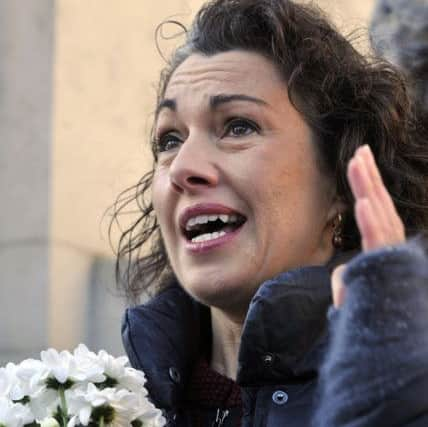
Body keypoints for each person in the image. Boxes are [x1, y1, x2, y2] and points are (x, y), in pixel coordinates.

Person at [112, 0, 428, 425]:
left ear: (339, 182)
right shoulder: (95, 400)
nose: (183, 168)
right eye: (169, 139)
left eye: (238, 126)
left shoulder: (409, 394)